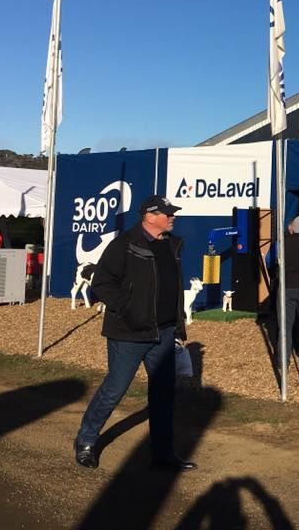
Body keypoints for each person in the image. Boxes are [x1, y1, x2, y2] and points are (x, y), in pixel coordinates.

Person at [73, 195, 196, 471]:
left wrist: (177, 325)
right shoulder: (124, 245)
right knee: (114, 389)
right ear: (149, 216)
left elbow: (172, 289)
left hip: (162, 333)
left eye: (172, 212)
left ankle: (162, 453)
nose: (172, 216)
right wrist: (128, 309)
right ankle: (86, 441)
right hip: (128, 332)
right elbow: (102, 283)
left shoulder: (173, 245)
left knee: (163, 392)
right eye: (167, 213)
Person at [270, 215, 299, 367]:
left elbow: (273, 262)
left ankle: (283, 360)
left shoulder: (283, 244)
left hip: (286, 288)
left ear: (292, 228)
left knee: (285, 325)